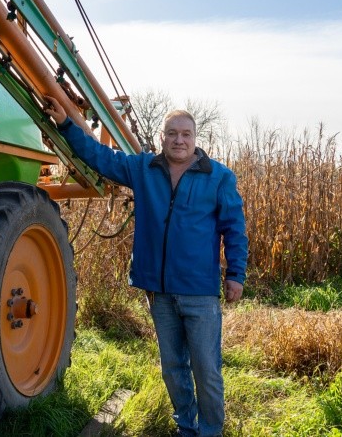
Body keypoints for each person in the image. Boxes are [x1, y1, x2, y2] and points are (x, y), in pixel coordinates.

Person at [44, 96, 248, 437]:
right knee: (172, 367)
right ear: (162, 137)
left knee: (206, 368)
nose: (179, 140)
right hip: (159, 290)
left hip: (199, 292)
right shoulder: (144, 169)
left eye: (185, 134)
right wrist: (67, 124)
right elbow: (101, 157)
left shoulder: (218, 177)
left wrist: (235, 274)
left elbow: (234, 229)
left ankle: (210, 430)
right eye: (172, 133)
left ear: (196, 139)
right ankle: (186, 425)